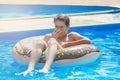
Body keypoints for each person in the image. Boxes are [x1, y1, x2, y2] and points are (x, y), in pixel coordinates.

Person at [16, 14, 91, 76]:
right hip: (49, 51)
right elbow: (40, 49)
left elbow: (87, 41)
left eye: (61, 27)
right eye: (56, 26)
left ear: (68, 27)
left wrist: (65, 44)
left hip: (63, 56)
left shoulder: (71, 36)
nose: (59, 29)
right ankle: (30, 68)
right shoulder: (49, 36)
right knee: (39, 41)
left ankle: (46, 68)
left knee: (52, 41)